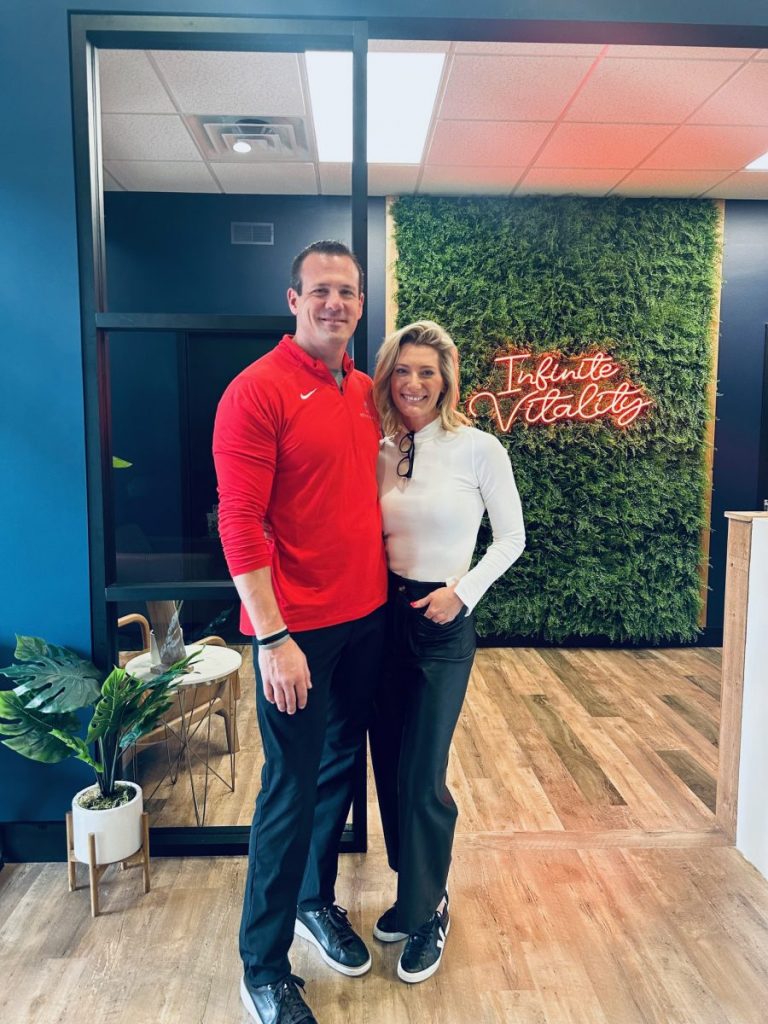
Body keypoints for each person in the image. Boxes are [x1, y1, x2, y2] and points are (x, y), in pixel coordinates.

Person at [213, 241, 387, 1024]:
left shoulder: (364, 390)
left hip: (366, 618)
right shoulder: (256, 391)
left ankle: (316, 901)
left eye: (346, 291)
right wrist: (272, 638)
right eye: (320, 290)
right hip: (297, 634)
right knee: (289, 789)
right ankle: (262, 966)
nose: (334, 303)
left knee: (339, 769)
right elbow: (239, 525)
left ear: (360, 303)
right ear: (293, 301)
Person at [369, 320, 525, 984]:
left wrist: (461, 593)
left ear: (447, 380)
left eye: (427, 372)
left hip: (442, 623)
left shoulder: (478, 448)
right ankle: (414, 892)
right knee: (387, 764)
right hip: (382, 618)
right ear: (388, 378)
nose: (414, 383)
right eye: (403, 371)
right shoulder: (381, 449)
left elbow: (511, 538)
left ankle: (431, 908)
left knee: (423, 772)